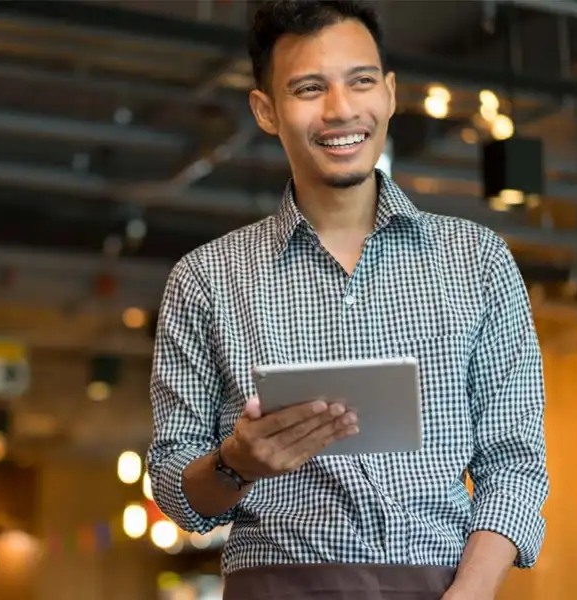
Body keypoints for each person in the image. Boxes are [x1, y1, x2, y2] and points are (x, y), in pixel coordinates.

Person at [146, 1, 549, 599]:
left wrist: (471, 591)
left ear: (388, 93)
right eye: (309, 88)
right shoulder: (206, 278)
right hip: (276, 586)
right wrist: (236, 462)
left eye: (360, 81)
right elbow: (176, 485)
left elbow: (515, 462)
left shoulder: (477, 261)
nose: (340, 110)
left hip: (438, 585)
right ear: (266, 111)